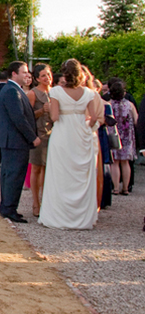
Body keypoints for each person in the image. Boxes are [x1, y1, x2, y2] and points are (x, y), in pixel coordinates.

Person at [39, 59, 102, 230]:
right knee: (81, 176)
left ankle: (58, 216)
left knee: (59, 175)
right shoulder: (89, 92)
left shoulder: (57, 91)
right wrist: (85, 127)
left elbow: (54, 117)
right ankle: (82, 217)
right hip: (81, 133)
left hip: (63, 134)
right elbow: (94, 117)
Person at [0, 61, 42, 223]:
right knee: (14, 176)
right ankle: (9, 208)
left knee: (10, 175)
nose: (27, 75)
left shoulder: (14, 90)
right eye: (24, 72)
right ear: (14, 74)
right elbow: (19, 118)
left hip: (13, 141)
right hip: (15, 141)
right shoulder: (11, 91)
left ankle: (7, 207)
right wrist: (33, 137)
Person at [27, 64, 53, 215]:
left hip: (53, 134)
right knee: (37, 167)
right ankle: (36, 202)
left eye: (48, 75)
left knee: (48, 169)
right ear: (37, 78)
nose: (47, 78)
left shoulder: (55, 93)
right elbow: (28, 116)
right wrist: (41, 110)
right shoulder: (33, 93)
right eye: (43, 75)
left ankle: (46, 200)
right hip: (39, 133)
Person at [108, 80, 138, 196]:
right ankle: (125, 188)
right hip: (127, 134)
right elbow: (136, 120)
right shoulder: (129, 105)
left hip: (114, 134)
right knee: (125, 162)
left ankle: (115, 187)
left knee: (115, 162)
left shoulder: (109, 104)